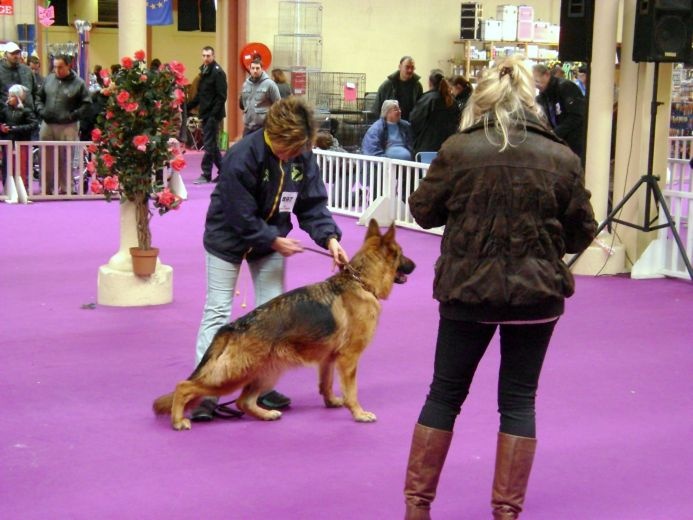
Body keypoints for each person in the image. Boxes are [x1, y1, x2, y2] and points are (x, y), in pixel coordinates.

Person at [404, 56, 597, 519]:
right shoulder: (561, 156)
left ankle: (417, 508)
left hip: (467, 292)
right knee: (518, 400)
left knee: (444, 394)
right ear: (531, 98)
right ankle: (507, 513)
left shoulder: (458, 150)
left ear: (482, 98)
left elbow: (424, 212)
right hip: (537, 295)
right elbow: (582, 230)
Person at [190, 96, 349, 421]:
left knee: (273, 318)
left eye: (294, 150)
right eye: (283, 148)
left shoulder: (302, 155)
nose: (288, 155)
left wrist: (330, 237)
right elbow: (240, 216)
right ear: (270, 133)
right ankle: (203, 391)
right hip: (228, 238)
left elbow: (312, 203)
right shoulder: (241, 156)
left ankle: (260, 387)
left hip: (270, 244)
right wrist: (274, 239)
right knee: (218, 311)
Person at [35, 53, 91, 195]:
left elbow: (87, 105)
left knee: (65, 159)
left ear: (69, 65)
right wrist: (41, 111)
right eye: (55, 67)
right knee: (45, 158)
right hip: (47, 124)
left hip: (68, 126)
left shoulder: (79, 83)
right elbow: (38, 98)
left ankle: (66, 189)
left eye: (60, 67)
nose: (57, 70)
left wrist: (72, 116)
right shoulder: (48, 79)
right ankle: (46, 189)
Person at [187, 46, 228, 184]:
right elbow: (200, 96)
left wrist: (213, 115)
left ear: (213, 56)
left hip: (213, 115)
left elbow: (221, 97)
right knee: (212, 145)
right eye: (203, 55)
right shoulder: (204, 72)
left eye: (208, 56)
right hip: (205, 114)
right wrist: (187, 107)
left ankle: (206, 174)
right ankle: (225, 171)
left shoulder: (218, 73)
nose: (205, 58)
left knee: (209, 144)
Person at [532, 63, 586, 161]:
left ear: (547, 75)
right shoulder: (542, 97)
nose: (536, 85)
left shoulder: (566, 87)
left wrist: (555, 133)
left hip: (574, 142)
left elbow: (576, 116)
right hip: (558, 144)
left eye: (537, 81)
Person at [409, 69, 462, 157]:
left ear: (430, 83)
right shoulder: (452, 101)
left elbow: (414, 120)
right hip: (448, 146)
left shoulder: (427, 99)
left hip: (427, 147)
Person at [0, 85, 38, 187]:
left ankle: (23, 187)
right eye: (9, 96)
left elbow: (33, 125)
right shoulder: (4, 111)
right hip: (7, 143)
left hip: (22, 143)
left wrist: (15, 129)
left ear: (18, 98)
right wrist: (2, 128)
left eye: (11, 96)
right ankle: (7, 187)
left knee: (22, 166)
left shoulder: (27, 111)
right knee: (7, 166)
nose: (9, 98)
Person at [372, 56, 423, 122]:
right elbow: (377, 108)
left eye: (412, 68)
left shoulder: (417, 86)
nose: (410, 70)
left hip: (409, 126)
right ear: (400, 67)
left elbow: (420, 109)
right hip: (390, 124)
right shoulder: (387, 85)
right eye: (407, 67)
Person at [240, 57, 280, 136]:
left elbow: (278, 104)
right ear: (250, 69)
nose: (255, 71)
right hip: (248, 127)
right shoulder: (245, 84)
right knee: (246, 147)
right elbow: (244, 103)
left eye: (257, 68)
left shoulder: (270, 84)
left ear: (262, 69)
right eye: (253, 68)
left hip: (263, 127)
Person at [0, 42, 38, 111]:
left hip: (28, 114)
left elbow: (36, 92)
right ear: (5, 55)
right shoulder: (1, 71)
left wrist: (38, 111)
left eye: (17, 53)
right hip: (7, 115)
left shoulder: (27, 70)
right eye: (12, 53)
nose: (16, 56)